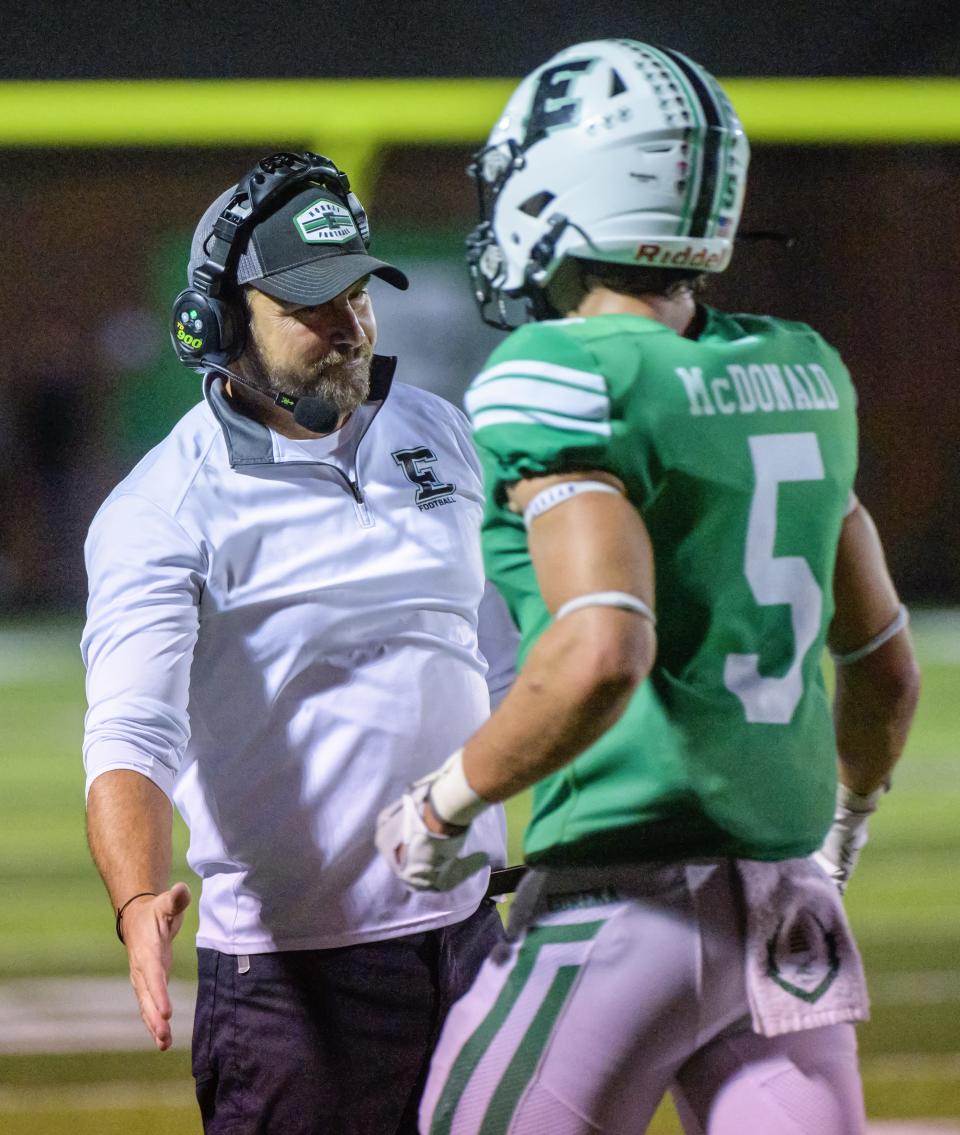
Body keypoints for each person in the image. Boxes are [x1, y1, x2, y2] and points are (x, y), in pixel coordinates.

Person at [376, 41, 921, 1134]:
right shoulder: (802, 370)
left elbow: (602, 648)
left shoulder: (561, 371)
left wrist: (445, 800)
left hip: (621, 901)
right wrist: (845, 824)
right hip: (786, 916)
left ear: (570, 180)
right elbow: (883, 668)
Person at [82, 151, 516, 1135]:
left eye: (359, 294)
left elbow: (505, 659)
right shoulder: (164, 508)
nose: (350, 326)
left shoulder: (439, 433)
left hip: (474, 943)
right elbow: (132, 734)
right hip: (295, 982)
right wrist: (138, 893)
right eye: (311, 305)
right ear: (219, 323)